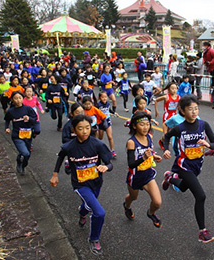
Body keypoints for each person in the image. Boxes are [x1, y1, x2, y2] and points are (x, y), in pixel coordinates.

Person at [49, 114, 113, 256]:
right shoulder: (69, 146)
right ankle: (94, 239)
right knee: (99, 212)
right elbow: (60, 156)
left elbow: (109, 163)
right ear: (74, 129)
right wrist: (55, 174)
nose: (84, 131)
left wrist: (106, 167)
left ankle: (82, 212)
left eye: (87, 128)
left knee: (87, 204)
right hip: (80, 185)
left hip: (96, 182)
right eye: (80, 128)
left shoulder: (98, 144)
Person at [162, 95, 214, 243]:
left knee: (184, 187)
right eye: (190, 109)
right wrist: (166, 150)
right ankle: (202, 231)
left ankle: (169, 178)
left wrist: (208, 145)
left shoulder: (203, 125)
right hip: (183, 166)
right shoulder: (180, 128)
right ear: (182, 110)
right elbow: (166, 137)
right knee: (200, 196)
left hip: (197, 165)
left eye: (196, 109)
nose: (194, 112)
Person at [123, 112, 163, 228]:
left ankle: (151, 213)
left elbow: (150, 151)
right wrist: (143, 158)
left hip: (148, 175)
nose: (146, 127)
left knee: (157, 202)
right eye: (142, 124)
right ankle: (127, 206)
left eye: (147, 124)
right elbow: (131, 164)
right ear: (134, 126)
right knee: (133, 197)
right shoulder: (131, 142)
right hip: (135, 177)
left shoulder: (149, 137)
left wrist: (154, 156)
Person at [5, 91, 37, 175]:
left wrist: (29, 118)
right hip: (17, 135)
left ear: (23, 98)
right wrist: (7, 127)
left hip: (27, 134)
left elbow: (35, 119)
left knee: (27, 154)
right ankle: (20, 164)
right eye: (16, 98)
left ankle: (21, 164)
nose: (18, 100)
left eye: (20, 98)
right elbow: (7, 120)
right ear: (12, 100)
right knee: (25, 153)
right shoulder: (10, 111)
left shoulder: (28, 109)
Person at [96, 92, 117, 158]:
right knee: (100, 137)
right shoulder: (98, 105)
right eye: (103, 97)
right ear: (99, 98)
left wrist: (113, 112)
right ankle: (98, 149)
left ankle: (112, 151)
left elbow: (109, 109)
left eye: (105, 97)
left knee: (110, 137)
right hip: (101, 122)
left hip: (107, 121)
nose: (104, 98)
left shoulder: (107, 104)